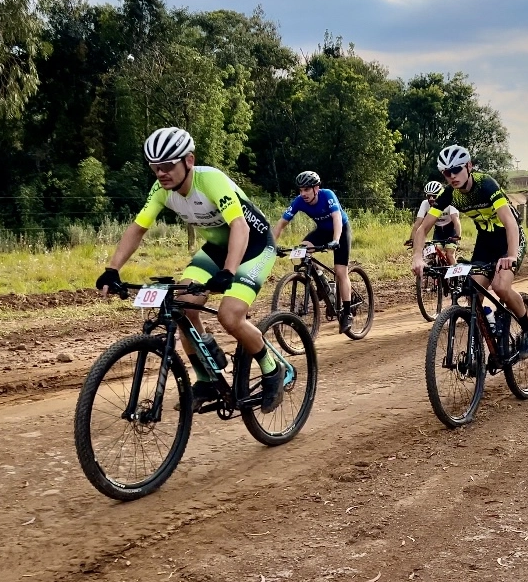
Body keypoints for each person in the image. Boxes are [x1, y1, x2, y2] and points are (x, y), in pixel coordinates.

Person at [95, 127, 284, 413]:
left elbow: (239, 226)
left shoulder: (211, 181)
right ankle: (207, 378)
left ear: (189, 161)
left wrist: (229, 272)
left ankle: (273, 370)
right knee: (181, 306)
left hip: (254, 246)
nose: (161, 173)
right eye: (155, 167)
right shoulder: (161, 190)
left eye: (168, 165)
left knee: (229, 315)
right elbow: (137, 229)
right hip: (218, 248)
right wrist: (112, 269)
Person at [410, 145, 528, 359]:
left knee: (500, 286)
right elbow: (423, 228)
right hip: (486, 242)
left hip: (508, 238)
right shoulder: (449, 193)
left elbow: (510, 223)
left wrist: (512, 255)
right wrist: (417, 256)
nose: (452, 176)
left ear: (469, 166)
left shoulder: (485, 184)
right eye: (446, 173)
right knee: (473, 292)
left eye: (456, 170)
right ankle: (489, 330)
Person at [272, 171, 355, 333]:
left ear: (316, 188)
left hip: (341, 230)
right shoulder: (299, 201)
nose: (303, 194)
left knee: (340, 271)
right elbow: (281, 223)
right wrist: (271, 245)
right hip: (322, 231)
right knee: (300, 251)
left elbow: (337, 218)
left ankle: (347, 312)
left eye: (307, 190)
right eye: (301, 190)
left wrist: (336, 240)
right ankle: (324, 285)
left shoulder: (327, 195)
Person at [405, 180, 461, 264]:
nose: (431, 199)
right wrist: (412, 239)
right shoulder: (425, 204)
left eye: (434, 196)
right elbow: (418, 223)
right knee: (435, 253)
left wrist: (458, 236)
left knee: (449, 255)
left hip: (451, 231)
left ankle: (456, 276)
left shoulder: (449, 202)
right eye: (428, 196)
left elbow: (456, 220)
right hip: (438, 231)